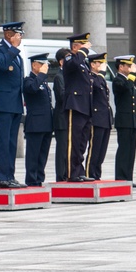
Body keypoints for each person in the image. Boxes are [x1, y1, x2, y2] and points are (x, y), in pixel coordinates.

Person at [0, 21, 25, 188]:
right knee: (3, 142)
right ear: (8, 35)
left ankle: (10, 176)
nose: (20, 37)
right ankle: (2, 177)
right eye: (18, 34)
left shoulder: (15, 53)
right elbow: (2, 65)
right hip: (3, 104)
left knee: (12, 143)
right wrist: (13, 49)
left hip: (15, 104)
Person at [62, 33, 94, 182]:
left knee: (82, 141)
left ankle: (79, 171)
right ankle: (71, 173)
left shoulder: (82, 62)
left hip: (85, 106)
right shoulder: (70, 58)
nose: (87, 48)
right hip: (74, 105)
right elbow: (72, 65)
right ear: (75, 46)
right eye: (84, 45)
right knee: (73, 141)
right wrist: (82, 52)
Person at [22, 52, 53, 187]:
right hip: (35, 124)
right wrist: (41, 74)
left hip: (46, 123)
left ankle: (39, 178)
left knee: (43, 154)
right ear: (34, 65)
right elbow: (33, 88)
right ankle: (31, 179)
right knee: (33, 155)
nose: (45, 67)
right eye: (42, 64)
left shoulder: (43, 82)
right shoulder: (28, 80)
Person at [112, 54, 136, 186]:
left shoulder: (128, 80)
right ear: (121, 67)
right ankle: (121, 177)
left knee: (131, 151)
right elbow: (125, 88)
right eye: (128, 65)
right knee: (124, 150)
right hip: (124, 120)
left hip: (132, 120)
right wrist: (132, 75)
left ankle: (128, 177)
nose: (131, 68)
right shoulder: (118, 80)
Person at [85, 52, 113, 180]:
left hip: (104, 118)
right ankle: (90, 173)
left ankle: (97, 174)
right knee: (94, 149)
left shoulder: (100, 79)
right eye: (100, 63)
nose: (103, 66)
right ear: (93, 64)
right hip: (96, 119)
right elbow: (94, 86)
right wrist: (101, 73)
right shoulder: (91, 77)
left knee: (102, 150)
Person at [52, 47, 70, 182]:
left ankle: (69, 173)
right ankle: (61, 176)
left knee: (70, 149)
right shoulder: (59, 77)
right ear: (61, 62)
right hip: (62, 119)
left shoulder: (70, 75)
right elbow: (62, 96)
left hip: (71, 118)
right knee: (62, 149)